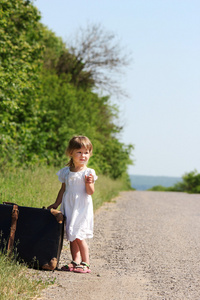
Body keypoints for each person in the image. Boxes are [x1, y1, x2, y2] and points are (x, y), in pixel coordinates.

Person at [48, 136, 97, 273]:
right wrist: (57, 203)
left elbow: (90, 192)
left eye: (86, 152)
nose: (83, 156)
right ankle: (75, 261)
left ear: (90, 154)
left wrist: (89, 182)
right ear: (71, 153)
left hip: (81, 207)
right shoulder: (66, 172)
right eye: (79, 152)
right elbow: (63, 189)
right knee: (71, 234)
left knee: (79, 235)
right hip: (69, 206)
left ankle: (86, 263)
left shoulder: (88, 173)